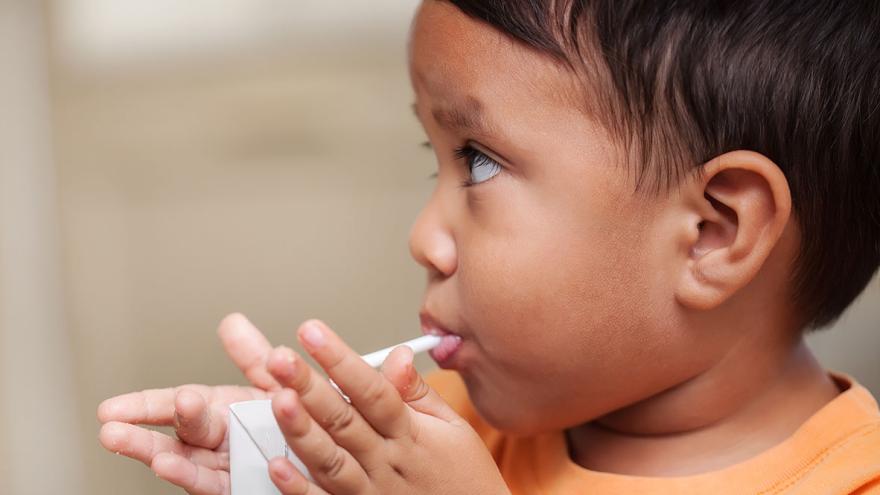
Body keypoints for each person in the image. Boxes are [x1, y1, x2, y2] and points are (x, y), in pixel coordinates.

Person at [97, 1, 880, 493]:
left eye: (478, 160)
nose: (422, 237)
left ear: (713, 232)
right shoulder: (446, 433)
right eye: (431, 155)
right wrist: (291, 458)